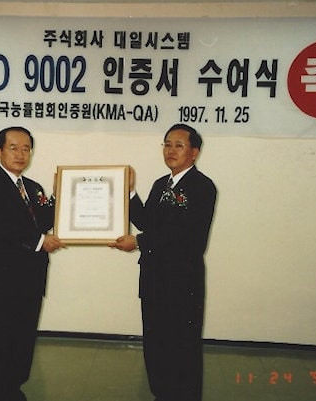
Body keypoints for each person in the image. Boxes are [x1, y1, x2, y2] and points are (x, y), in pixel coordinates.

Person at [109, 123, 217, 401]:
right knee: (156, 345)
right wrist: (130, 193)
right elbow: (148, 222)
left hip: (182, 283)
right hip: (153, 280)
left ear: (194, 152)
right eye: (167, 144)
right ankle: (162, 393)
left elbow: (188, 236)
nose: (171, 150)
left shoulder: (203, 187)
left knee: (183, 348)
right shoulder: (161, 184)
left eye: (178, 145)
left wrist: (139, 242)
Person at [0, 126, 64, 401]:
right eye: (13, 148)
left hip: (31, 280)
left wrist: (59, 195)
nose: (21, 154)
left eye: (26, 149)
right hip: (1, 282)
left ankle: (13, 388)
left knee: (22, 339)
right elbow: (3, 227)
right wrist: (41, 241)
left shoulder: (33, 188)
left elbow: (44, 220)